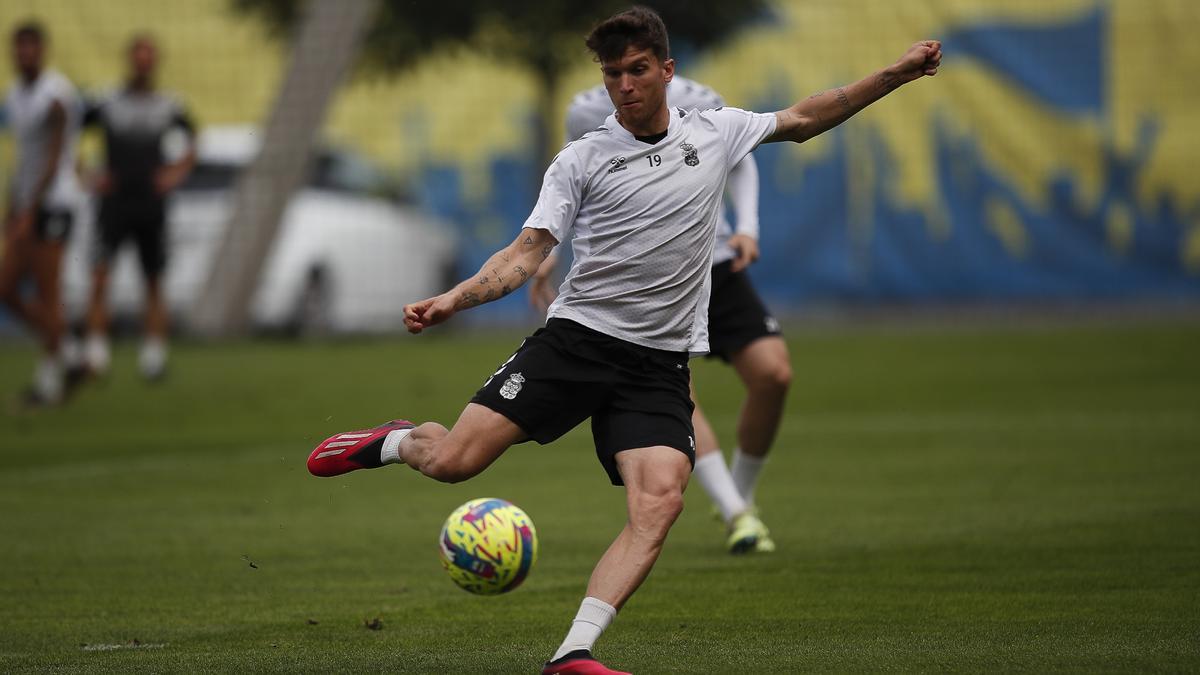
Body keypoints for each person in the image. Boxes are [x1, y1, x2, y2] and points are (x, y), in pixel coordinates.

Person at [306, 7, 940, 673]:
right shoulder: (582, 160)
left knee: (661, 498)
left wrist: (894, 75)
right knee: (454, 462)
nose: (626, 84)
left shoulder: (716, 131)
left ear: (667, 70)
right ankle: (393, 441)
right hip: (576, 343)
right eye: (613, 74)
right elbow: (525, 254)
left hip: (658, 364)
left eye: (638, 70)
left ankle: (572, 652)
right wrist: (454, 299)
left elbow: (808, 116)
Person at [537, 73, 785, 554]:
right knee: (680, 391)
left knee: (774, 374)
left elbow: (740, 154)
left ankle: (740, 493)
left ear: (661, 61)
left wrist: (748, 226)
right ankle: (738, 514)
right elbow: (575, 186)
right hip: (643, 278)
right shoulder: (585, 111)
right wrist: (549, 256)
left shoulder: (699, 98)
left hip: (714, 261)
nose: (626, 75)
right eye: (614, 62)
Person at [81, 33, 196, 380]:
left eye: (148, 58)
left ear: (154, 63)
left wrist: (175, 174)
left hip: (150, 205)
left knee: (154, 281)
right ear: (130, 61)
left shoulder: (168, 105)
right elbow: (71, 129)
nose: (143, 65)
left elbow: (192, 141)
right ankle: (96, 354)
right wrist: (85, 173)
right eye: (138, 57)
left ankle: (153, 358)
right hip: (113, 204)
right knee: (101, 276)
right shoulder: (108, 102)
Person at [0, 21, 85, 406]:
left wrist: (30, 208)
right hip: (28, 204)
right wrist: (12, 206)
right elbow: (24, 161)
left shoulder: (56, 94)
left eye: (31, 47)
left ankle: (48, 384)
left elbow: (53, 158)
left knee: (49, 293)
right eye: (19, 48)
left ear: (43, 51)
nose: (25, 54)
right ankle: (71, 354)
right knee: (6, 287)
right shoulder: (15, 94)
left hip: (55, 202)